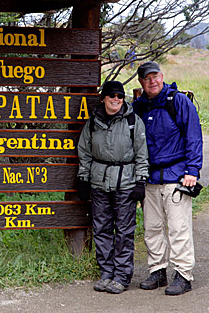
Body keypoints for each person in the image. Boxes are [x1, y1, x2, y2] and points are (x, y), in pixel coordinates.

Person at [133, 61, 203, 296]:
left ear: (162, 77)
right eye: (147, 78)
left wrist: (192, 171)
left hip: (176, 176)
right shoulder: (138, 107)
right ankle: (158, 270)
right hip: (150, 178)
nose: (152, 81)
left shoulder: (178, 102)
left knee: (178, 228)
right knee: (151, 227)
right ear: (141, 83)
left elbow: (193, 136)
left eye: (156, 76)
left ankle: (184, 275)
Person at [77, 81, 149, 294]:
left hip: (125, 183)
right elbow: (85, 152)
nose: (116, 99)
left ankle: (122, 276)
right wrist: (83, 179)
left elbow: (142, 154)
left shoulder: (133, 122)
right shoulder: (92, 123)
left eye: (119, 95)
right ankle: (106, 273)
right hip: (99, 183)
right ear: (103, 98)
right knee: (102, 228)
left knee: (125, 231)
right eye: (112, 95)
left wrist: (140, 181)